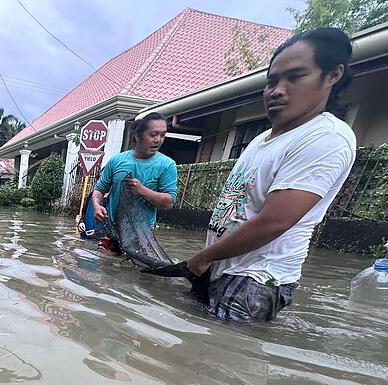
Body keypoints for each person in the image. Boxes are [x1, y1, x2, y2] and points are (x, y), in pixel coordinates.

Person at [185, 27, 356, 322]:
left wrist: (203, 257)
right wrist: (209, 260)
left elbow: (274, 221)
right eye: (272, 81)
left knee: (219, 363)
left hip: (255, 281)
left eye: (295, 76)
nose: (277, 90)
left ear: (332, 75)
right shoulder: (262, 139)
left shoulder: (326, 138)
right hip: (222, 269)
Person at [91, 112, 178, 232]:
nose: (158, 140)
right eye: (153, 135)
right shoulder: (116, 161)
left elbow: (169, 203)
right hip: (110, 230)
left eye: (163, 135)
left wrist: (142, 190)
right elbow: (99, 189)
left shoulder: (167, 165)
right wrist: (96, 205)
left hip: (142, 235)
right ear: (138, 136)